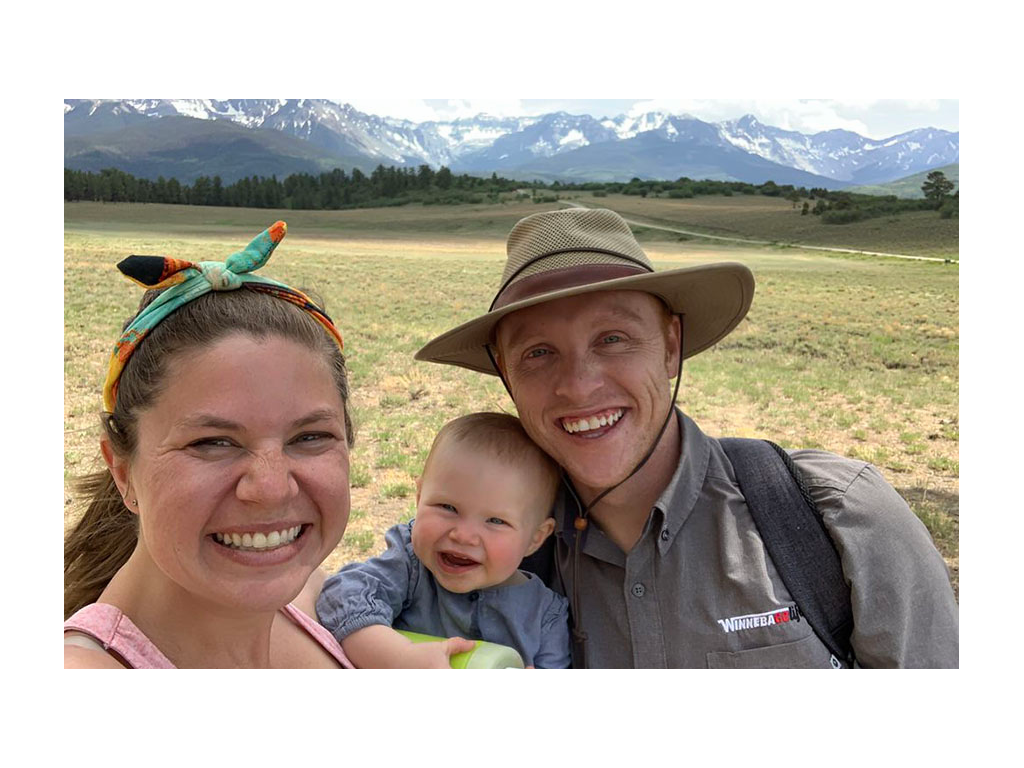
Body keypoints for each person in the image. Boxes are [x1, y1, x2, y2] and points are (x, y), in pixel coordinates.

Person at [414, 207, 959, 668]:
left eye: (613, 338)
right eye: (538, 352)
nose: (579, 386)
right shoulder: (480, 537)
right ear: (505, 373)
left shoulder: (835, 516)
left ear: (671, 345)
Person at [64, 222, 356, 668]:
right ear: (123, 471)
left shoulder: (309, 596)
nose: (272, 489)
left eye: (310, 437)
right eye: (213, 442)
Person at [316, 412, 571, 668]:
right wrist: (399, 658)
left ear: (535, 539)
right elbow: (342, 595)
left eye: (495, 521)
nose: (463, 535)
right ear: (419, 499)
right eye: (447, 507)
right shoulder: (411, 568)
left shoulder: (545, 617)